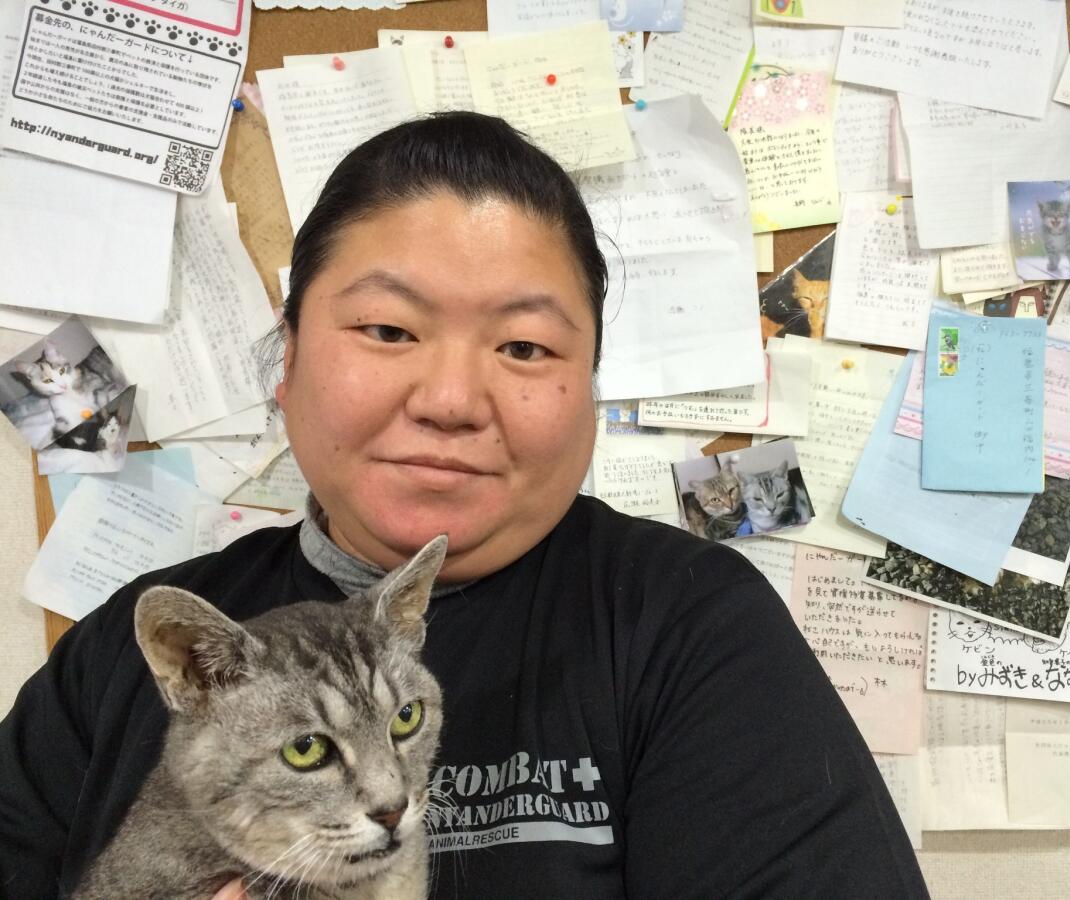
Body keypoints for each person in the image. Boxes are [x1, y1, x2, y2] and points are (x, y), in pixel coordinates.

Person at [0, 112, 928, 899]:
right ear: (286, 362)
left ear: (591, 390)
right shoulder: (129, 653)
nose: (451, 398)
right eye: (389, 329)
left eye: (524, 348)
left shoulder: (684, 621)